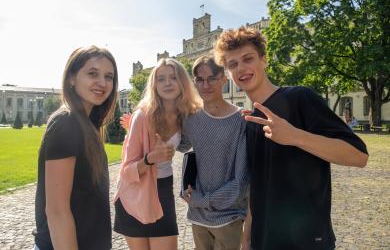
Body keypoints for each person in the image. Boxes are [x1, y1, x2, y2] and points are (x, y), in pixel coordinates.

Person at [214, 27, 369, 250]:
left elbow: (359, 156)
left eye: (248, 59)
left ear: (264, 60)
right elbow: (257, 185)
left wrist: (295, 136)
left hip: (308, 240)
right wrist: (247, 237)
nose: (241, 69)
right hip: (264, 240)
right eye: (233, 64)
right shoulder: (251, 121)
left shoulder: (300, 97)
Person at [34, 46, 118, 250]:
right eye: (92, 74)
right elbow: (57, 211)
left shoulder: (87, 124)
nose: (102, 83)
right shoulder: (67, 123)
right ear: (72, 77)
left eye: (109, 76)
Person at [113, 58, 201, 250]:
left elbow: (204, 132)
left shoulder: (186, 115)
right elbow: (126, 171)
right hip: (136, 194)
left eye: (173, 77)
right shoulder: (143, 116)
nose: (168, 83)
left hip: (163, 190)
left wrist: (240, 118)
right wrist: (151, 158)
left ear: (182, 82)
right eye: (161, 79)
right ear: (154, 84)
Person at [181, 55, 249, 250]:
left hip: (228, 218)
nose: (206, 85)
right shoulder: (191, 120)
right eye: (200, 80)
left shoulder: (240, 121)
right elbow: (180, 149)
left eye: (212, 78)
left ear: (224, 79)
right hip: (197, 217)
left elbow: (241, 180)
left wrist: (203, 200)